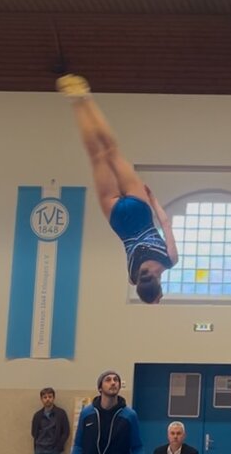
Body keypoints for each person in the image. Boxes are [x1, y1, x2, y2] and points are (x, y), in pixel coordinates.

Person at [57, 74, 178, 303]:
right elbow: (143, 279)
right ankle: (76, 100)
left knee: (111, 150)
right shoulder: (132, 277)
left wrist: (153, 201)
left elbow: (166, 224)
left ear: (160, 287)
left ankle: (86, 97)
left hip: (141, 210)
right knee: (96, 156)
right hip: (118, 220)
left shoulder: (169, 260)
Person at [72, 370, 143, 454]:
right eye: (108, 380)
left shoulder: (130, 415)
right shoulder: (87, 413)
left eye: (116, 380)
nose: (113, 383)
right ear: (100, 388)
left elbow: (137, 447)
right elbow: (78, 445)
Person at [31, 387, 71, 454]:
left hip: (54, 449)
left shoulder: (61, 413)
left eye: (50, 397)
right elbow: (33, 432)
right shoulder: (37, 415)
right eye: (45, 397)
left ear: (53, 398)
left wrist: (59, 445)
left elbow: (66, 432)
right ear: (41, 399)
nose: (47, 399)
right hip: (40, 448)